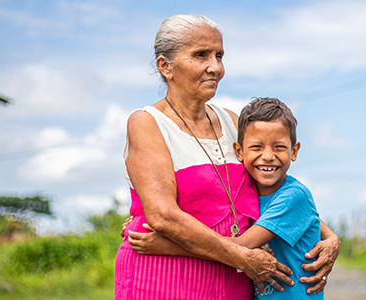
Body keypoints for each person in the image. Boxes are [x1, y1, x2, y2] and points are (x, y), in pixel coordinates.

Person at [115, 14, 339, 300]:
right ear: (165, 66)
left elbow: (277, 192)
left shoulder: (232, 122)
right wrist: (242, 257)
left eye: (219, 55)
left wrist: (331, 238)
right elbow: (163, 217)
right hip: (165, 276)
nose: (216, 68)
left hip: (235, 280)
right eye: (201, 55)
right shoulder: (148, 123)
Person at [130, 97, 324, 299]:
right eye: (257, 147)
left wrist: (168, 246)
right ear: (239, 151)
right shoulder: (251, 190)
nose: (267, 156)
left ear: (294, 151)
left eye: (279, 148)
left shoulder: (294, 196)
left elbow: (240, 247)